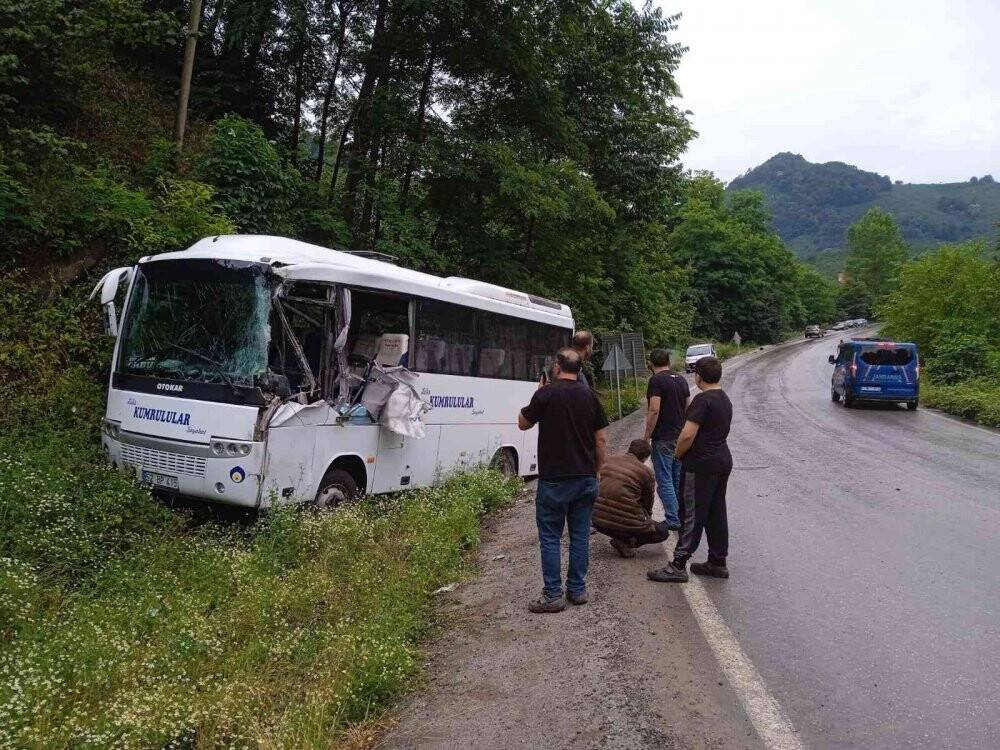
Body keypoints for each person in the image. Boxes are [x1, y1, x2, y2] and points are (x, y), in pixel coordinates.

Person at [519, 347, 609, 613]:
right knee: (580, 536)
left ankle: (553, 595)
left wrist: (538, 392)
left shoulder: (546, 394)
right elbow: (601, 440)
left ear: (557, 367)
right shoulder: (591, 396)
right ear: (579, 369)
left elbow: (523, 423)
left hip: (554, 479)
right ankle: (577, 590)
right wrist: (597, 471)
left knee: (550, 537)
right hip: (585, 477)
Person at [648, 356, 733, 583]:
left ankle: (678, 564)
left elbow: (687, 435)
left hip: (701, 464)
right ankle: (717, 561)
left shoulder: (702, 401)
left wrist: (678, 454)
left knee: (691, 513)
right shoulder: (724, 399)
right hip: (722, 460)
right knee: (716, 511)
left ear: (698, 376)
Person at [593, 439, 670, 558]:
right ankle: (626, 542)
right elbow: (648, 501)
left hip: (597, 521)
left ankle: (620, 537)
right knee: (663, 532)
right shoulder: (646, 472)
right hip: (625, 525)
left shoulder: (607, 460)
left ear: (630, 450)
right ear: (645, 458)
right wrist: (648, 519)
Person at [642, 348, 690, 531]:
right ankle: (681, 515)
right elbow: (688, 407)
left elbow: (654, 409)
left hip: (663, 437)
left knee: (664, 479)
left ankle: (672, 518)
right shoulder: (681, 379)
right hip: (680, 435)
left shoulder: (656, 381)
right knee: (677, 478)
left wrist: (647, 436)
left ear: (651, 363)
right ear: (668, 361)